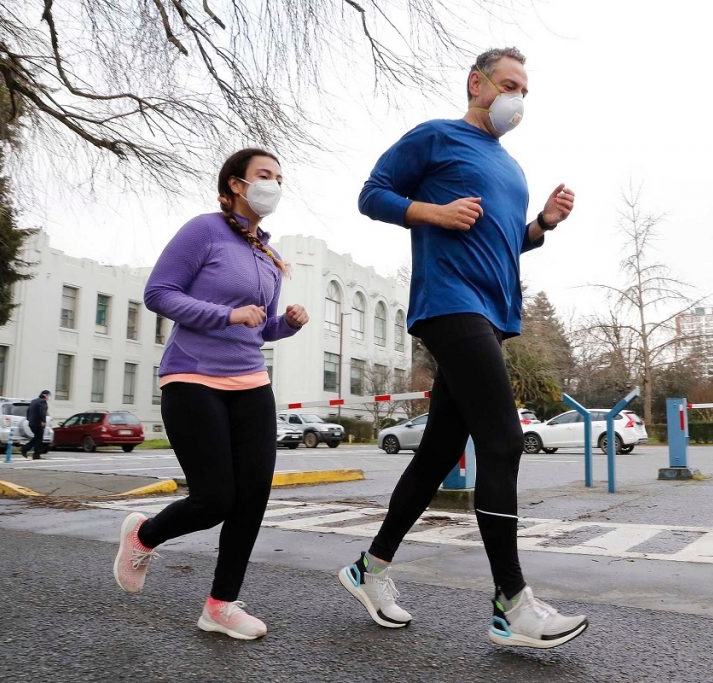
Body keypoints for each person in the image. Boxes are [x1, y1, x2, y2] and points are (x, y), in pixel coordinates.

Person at [338, 47, 587, 649]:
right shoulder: (436, 136)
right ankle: (511, 604)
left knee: (437, 453)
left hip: (493, 313)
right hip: (450, 304)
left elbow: (502, 242)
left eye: (524, 91)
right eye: (509, 85)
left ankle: (369, 568)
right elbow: (372, 194)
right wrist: (433, 212)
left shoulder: (512, 167)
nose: (517, 99)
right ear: (477, 83)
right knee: (502, 441)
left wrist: (542, 225)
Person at [112, 148, 309, 641]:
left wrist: (285, 324)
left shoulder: (268, 255)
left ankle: (221, 605)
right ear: (236, 185)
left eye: (279, 178)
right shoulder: (204, 230)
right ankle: (144, 535)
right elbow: (159, 293)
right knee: (216, 498)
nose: (274, 185)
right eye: (264, 175)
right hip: (193, 377)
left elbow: (258, 327)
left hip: (251, 382)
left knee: (253, 498)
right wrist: (225, 314)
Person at [20, 389, 50, 460]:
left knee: (37, 438)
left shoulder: (33, 401)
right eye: (48, 395)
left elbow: (28, 410)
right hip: (38, 423)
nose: (48, 397)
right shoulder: (43, 402)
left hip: (31, 423)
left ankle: (34, 454)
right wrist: (43, 421)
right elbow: (42, 412)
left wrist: (28, 419)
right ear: (44, 395)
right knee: (39, 438)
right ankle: (26, 450)